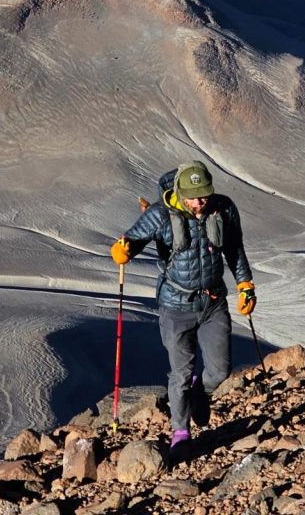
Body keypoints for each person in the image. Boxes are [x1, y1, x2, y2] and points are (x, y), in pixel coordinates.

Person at [111, 160, 256, 457]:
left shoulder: (223, 208)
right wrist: (123, 251)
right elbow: (133, 239)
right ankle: (180, 432)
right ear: (180, 191)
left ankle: (200, 392)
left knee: (220, 370)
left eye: (204, 195)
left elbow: (234, 248)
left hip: (213, 303)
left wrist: (245, 285)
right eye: (193, 196)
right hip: (176, 307)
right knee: (180, 372)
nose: (199, 202)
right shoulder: (160, 214)